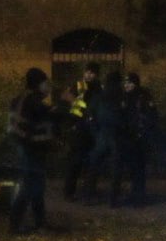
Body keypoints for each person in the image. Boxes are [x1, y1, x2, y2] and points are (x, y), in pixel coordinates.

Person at [8, 67, 57, 233]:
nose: (47, 87)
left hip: (24, 148)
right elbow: (50, 116)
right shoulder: (33, 102)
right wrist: (66, 104)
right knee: (30, 186)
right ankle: (17, 224)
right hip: (31, 150)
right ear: (38, 84)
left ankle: (39, 223)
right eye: (45, 83)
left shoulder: (20, 99)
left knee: (35, 185)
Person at [112, 72, 158, 206]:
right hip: (126, 138)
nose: (127, 85)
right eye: (125, 83)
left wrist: (143, 132)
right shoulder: (123, 97)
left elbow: (151, 116)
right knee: (131, 169)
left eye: (130, 83)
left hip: (139, 138)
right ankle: (133, 196)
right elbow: (120, 116)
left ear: (135, 84)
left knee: (139, 168)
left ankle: (139, 198)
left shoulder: (143, 97)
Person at [82, 69, 124, 203]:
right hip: (114, 135)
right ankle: (113, 198)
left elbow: (89, 115)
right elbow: (125, 117)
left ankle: (88, 196)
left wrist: (95, 132)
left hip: (102, 134)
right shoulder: (120, 96)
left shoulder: (100, 96)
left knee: (94, 165)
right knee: (115, 167)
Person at [62, 62, 102, 200]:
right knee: (75, 162)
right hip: (78, 129)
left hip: (91, 130)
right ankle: (69, 192)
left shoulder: (98, 88)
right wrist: (84, 112)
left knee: (90, 164)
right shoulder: (79, 86)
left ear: (97, 75)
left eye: (92, 73)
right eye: (87, 72)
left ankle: (88, 192)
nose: (89, 75)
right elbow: (73, 108)